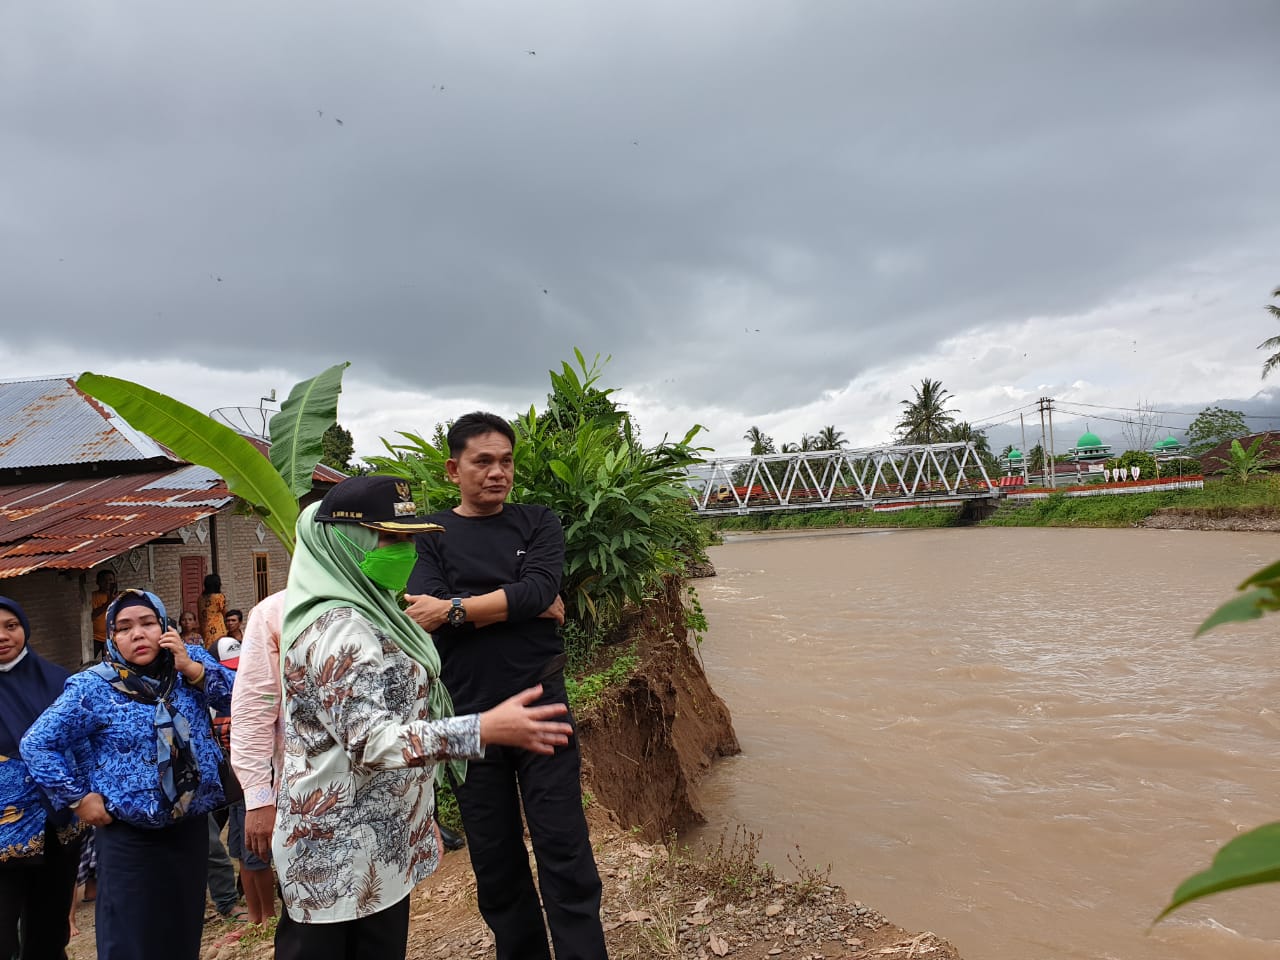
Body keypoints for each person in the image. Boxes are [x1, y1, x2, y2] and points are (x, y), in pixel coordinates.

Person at [274, 475, 573, 960]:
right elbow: (371, 742)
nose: (404, 551)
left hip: (378, 846)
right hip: (335, 857)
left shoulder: (378, 613)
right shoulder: (339, 629)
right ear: (345, 543)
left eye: (409, 538)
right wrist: (483, 728)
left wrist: (419, 812)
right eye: (389, 538)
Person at [405, 412, 608, 960]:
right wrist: (516, 604)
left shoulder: (538, 522)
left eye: (506, 461)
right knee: (495, 859)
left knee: (563, 845)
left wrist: (456, 608)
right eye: (483, 461)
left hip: (543, 704)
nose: (498, 473)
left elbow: (540, 587)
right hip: (471, 718)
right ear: (454, 469)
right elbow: (422, 609)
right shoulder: (428, 536)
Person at [22, 589, 235, 960]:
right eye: (124, 627)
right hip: (129, 838)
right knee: (132, 941)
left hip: (188, 830)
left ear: (164, 627)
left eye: (148, 623)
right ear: (112, 637)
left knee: (181, 934)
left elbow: (239, 700)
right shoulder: (93, 687)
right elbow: (37, 744)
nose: (138, 634)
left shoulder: (189, 665)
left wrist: (193, 669)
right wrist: (77, 797)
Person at [0, 595, 85, 959]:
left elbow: (80, 742)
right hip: (2, 831)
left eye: (10, 626)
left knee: (48, 929)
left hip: (57, 825)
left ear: (24, 628)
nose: (3, 636)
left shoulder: (58, 680)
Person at [90, 569, 117, 659]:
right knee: (87, 661)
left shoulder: (118, 597)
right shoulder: (93, 596)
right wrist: (108, 603)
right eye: (104, 580)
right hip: (95, 637)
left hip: (111, 637)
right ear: (98, 582)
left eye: (110, 580)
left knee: (109, 662)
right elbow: (92, 615)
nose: (107, 583)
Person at [198, 574, 228, 653]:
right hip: (217, 627)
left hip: (204, 628)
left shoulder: (200, 598)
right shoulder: (219, 597)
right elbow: (225, 612)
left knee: (208, 649)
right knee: (220, 648)